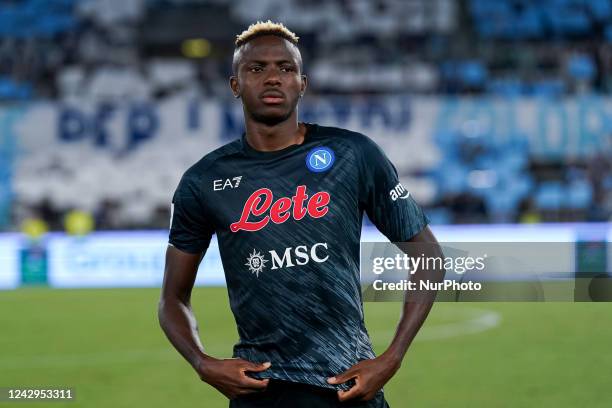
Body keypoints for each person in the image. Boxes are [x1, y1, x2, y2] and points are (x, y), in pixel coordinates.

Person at [158, 20, 442, 408]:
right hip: (261, 390)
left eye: (285, 68)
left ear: (302, 83)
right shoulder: (204, 180)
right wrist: (202, 362)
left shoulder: (353, 154)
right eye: (257, 69)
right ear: (235, 85)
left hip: (348, 386)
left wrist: (391, 359)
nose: (273, 78)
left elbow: (429, 257)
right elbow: (172, 298)